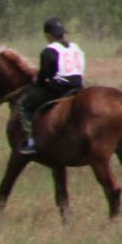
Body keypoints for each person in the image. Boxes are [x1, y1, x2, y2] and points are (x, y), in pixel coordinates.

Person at [19, 17, 85, 154]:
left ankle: (31, 142)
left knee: (23, 105)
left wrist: (35, 83)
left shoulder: (49, 51)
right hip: (78, 86)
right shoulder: (76, 47)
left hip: (59, 88)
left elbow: (43, 78)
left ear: (48, 35)